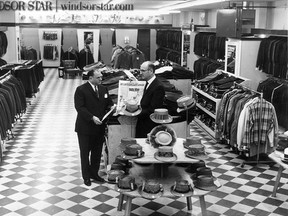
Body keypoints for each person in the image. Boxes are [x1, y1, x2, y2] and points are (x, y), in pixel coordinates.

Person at [74, 69, 114, 186]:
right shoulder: (81, 90)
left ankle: (94, 173)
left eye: (101, 77)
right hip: (85, 128)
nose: (101, 79)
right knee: (85, 152)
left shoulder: (103, 89)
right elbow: (80, 107)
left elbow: (108, 103)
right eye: (98, 77)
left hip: (99, 127)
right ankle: (86, 176)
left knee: (97, 153)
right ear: (91, 78)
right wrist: (92, 117)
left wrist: (112, 107)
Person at [136, 61, 165, 138]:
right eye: (140, 70)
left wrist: (136, 113)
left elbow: (153, 109)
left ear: (151, 71)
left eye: (143, 71)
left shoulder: (158, 87)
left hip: (149, 125)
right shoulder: (147, 83)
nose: (140, 73)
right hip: (142, 123)